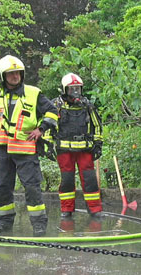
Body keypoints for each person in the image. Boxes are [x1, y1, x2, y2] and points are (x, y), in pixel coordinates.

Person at [0, 55, 58, 235]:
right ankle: (4, 223)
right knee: (2, 187)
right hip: (2, 150)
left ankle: (39, 225)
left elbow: (52, 112)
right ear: (3, 75)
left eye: (18, 73)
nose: (15, 76)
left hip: (25, 150)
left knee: (32, 187)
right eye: (11, 74)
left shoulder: (33, 93)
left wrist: (41, 129)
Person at [51, 73, 104, 220]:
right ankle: (66, 210)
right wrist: (48, 144)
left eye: (77, 89)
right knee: (67, 180)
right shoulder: (56, 106)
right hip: (64, 150)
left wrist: (98, 143)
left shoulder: (87, 106)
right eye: (71, 90)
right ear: (64, 90)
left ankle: (95, 209)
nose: (75, 93)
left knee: (90, 180)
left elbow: (97, 125)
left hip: (84, 150)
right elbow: (49, 125)